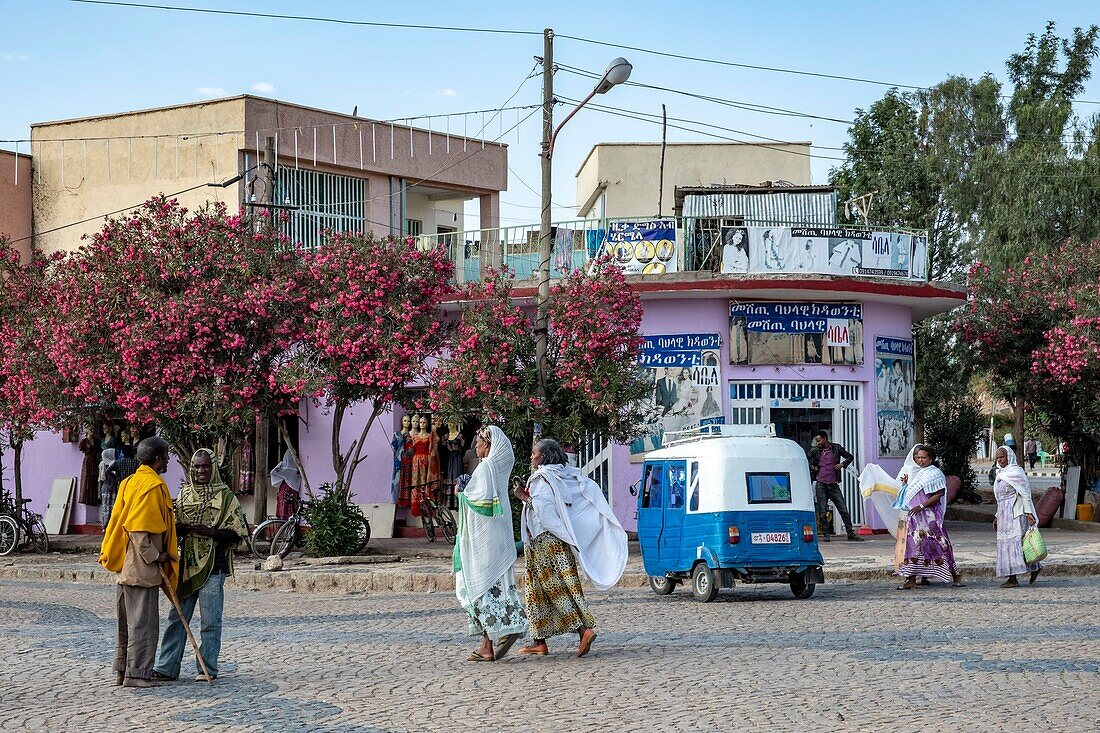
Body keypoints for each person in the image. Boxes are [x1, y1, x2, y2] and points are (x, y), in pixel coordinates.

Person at [514, 439, 628, 658]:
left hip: (544, 543)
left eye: (534, 452)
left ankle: (583, 630)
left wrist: (523, 498)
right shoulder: (564, 476)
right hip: (554, 541)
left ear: (544, 456)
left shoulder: (542, 478)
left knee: (555, 590)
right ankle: (539, 641)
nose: (531, 456)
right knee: (538, 591)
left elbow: (545, 513)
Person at [153, 449, 248, 682]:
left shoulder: (226, 497)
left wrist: (212, 533)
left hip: (213, 567)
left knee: (210, 621)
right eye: (196, 467)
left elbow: (238, 534)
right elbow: (171, 526)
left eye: (205, 466)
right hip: (185, 566)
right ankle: (167, 667)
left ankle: (207, 668)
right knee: (176, 618)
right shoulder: (184, 495)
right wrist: (181, 528)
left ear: (213, 468)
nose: (200, 471)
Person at [98, 437, 178, 688]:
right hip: (141, 568)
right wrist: (158, 556)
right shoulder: (152, 485)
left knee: (127, 623)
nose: (166, 461)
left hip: (125, 566)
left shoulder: (130, 481)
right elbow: (140, 532)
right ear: (157, 459)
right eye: (165, 456)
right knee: (143, 624)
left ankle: (123, 671)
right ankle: (137, 675)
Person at [453, 426, 527, 662]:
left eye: (479, 443)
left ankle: (487, 645)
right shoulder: (497, 468)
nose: (476, 447)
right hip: (497, 536)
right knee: (495, 585)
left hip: (482, 542)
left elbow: (480, 503)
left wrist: (460, 494)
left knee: (478, 587)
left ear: (489, 445)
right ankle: (506, 629)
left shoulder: (486, 468)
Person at [894, 444, 964, 590]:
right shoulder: (918, 474)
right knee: (913, 546)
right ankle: (911, 578)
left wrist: (921, 506)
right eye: (918, 458)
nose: (921, 461)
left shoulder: (934, 473)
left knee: (941, 545)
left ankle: (955, 574)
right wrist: (905, 484)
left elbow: (938, 495)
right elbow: (911, 494)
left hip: (930, 518)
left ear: (931, 459)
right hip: (915, 519)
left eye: (924, 458)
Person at [992, 446, 1041, 588]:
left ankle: (1013, 578)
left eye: (1002, 457)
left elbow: (1025, 494)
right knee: (1007, 545)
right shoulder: (1000, 473)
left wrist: (1029, 514)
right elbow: (999, 498)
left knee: (1016, 543)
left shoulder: (1016, 472)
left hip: (1016, 513)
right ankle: (1035, 568)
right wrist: (996, 516)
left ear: (1009, 457)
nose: (1000, 460)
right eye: (998, 458)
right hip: (1003, 513)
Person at [807, 431, 861, 542]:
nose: (818, 443)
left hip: (833, 485)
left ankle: (850, 533)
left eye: (819, 440)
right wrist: (813, 467)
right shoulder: (815, 451)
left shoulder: (836, 448)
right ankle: (826, 534)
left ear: (825, 439)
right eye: (817, 441)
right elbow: (805, 460)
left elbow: (850, 457)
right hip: (821, 484)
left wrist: (842, 464)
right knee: (822, 511)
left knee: (843, 510)